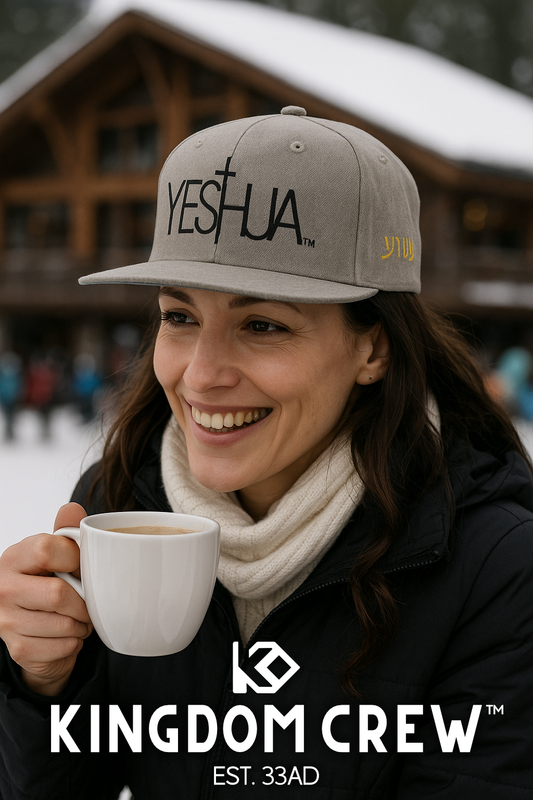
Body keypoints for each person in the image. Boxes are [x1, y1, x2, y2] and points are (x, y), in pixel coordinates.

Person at [1, 107, 533, 799]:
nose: (199, 375)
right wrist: (40, 683)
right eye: (179, 317)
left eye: (261, 324)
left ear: (372, 348)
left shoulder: (497, 566)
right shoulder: (120, 501)